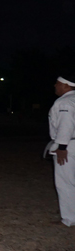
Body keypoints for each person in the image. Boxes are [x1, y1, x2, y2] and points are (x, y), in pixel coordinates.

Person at [48, 75, 75, 227]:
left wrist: (62, 147)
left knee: (65, 182)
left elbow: (66, 124)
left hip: (69, 146)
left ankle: (70, 218)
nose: (55, 86)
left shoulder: (65, 102)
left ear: (66, 85)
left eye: (58, 83)